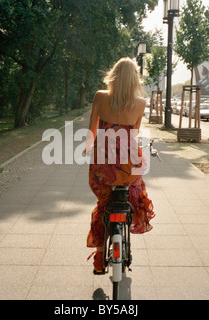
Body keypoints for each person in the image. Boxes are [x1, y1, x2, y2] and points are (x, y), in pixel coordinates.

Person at [84, 57, 155, 274]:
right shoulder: (141, 103)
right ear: (135, 80)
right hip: (128, 165)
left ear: (113, 76)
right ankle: (126, 223)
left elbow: (92, 132)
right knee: (135, 195)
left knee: (103, 206)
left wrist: (87, 149)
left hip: (102, 165)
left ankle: (98, 258)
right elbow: (133, 134)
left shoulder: (100, 97)